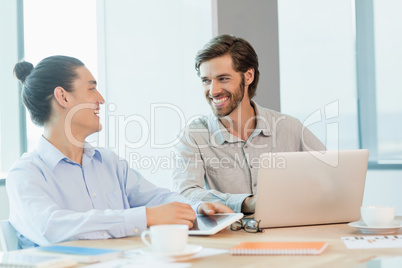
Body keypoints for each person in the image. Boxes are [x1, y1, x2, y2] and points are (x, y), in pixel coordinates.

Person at [7, 55, 232, 249]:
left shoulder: (108, 162)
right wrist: (146, 217)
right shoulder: (25, 174)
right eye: (92, 88)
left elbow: (157, 198)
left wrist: (198, 208)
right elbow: (51, 228)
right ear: (63, 97)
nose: (101, 99)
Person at [172, 34, 326, 214]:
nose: (213, 91)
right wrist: (245, 203)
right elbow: (185, 193)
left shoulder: (290, 128)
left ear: (248, 76)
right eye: (206, 80)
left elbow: (330, 178)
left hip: (287, 234)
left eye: (223, 79)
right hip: (229, 238)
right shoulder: (194, 136)